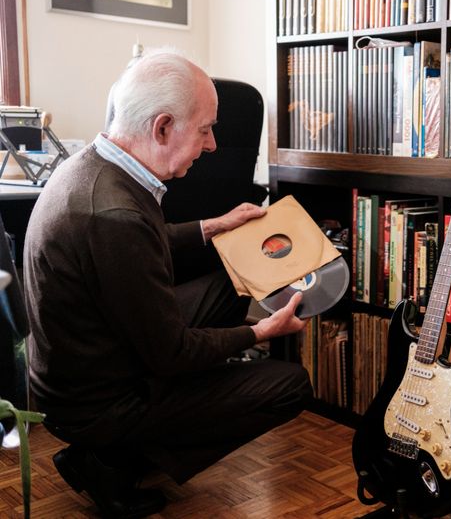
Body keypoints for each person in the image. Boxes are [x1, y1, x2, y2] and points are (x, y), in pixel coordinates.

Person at [23, 51, 313, 518]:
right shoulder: (113, 215)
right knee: (290, 386)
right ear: (161, 128)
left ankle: (159, 423)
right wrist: (261, 333)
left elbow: (140, 242)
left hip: (87, 358)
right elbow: (170, 353)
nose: (214, 144)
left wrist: (215, 225)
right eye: (205, 129)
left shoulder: (99, 167)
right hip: (97, 401)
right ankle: (108, 460)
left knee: (228, 282)